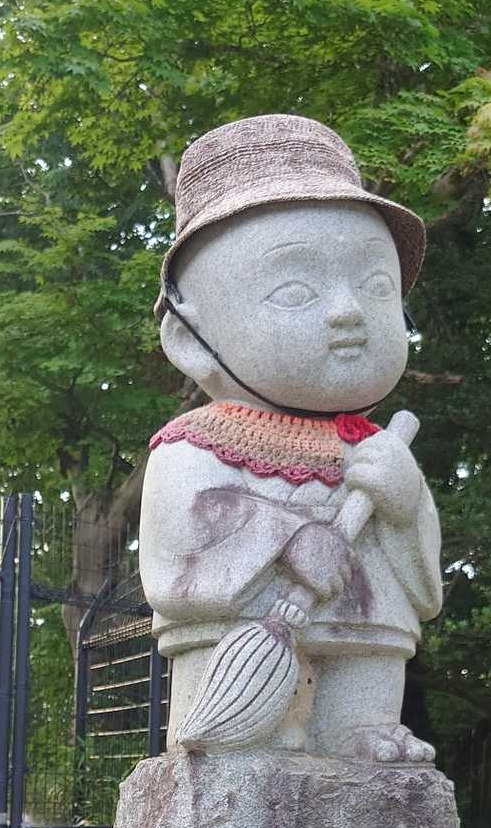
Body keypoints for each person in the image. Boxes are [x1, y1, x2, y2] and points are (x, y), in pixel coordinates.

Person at [140, 113, 443, 761]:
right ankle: (248, 724)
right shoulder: (194, 445)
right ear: (187, 339)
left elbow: (422, 582)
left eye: (376, 286)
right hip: (237, 640)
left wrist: (405, 500)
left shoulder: (373, 444)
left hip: (362, 630)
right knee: (237, 700)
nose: (348, 312)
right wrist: (287, 537)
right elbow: (183, 537)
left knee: (373, 655)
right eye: (297, 290)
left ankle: (362, 723)